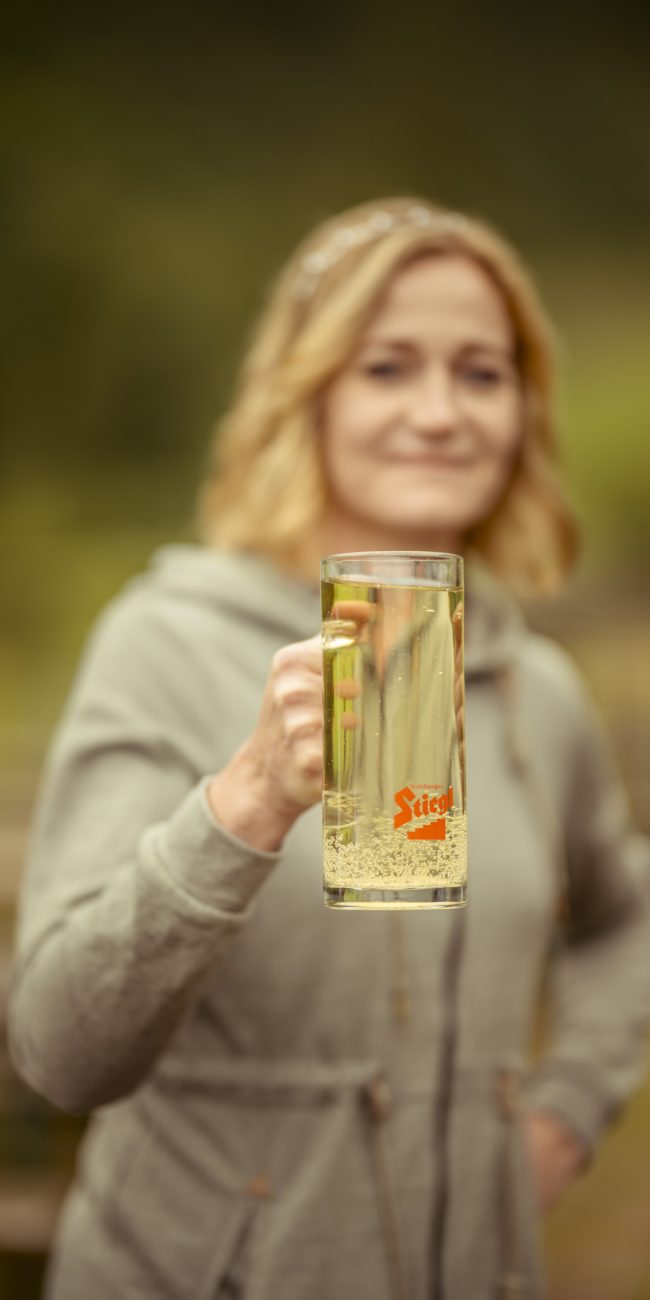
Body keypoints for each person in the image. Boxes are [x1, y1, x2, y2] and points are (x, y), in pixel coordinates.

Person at [8, 197, 650, 1300]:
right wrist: (247, 800)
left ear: (521, 411)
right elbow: (62, 1051)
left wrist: (568, 1107)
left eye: (481, 373)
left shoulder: (532, 686)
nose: (440, 412)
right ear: (304, 395)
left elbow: (622, 914)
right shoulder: (164, 642)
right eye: (387, 367)